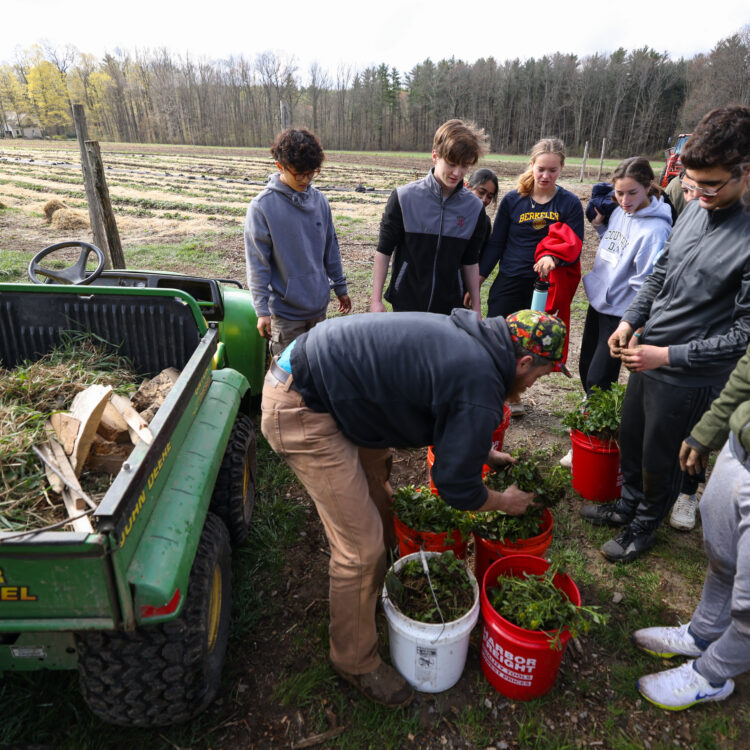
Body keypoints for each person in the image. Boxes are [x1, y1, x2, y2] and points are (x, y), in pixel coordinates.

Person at [261, 308, 570, 707]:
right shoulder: (480, 381)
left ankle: (367, 594)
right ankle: (353, 661)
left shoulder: (475, 341)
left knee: (381, 500)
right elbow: (455, 486)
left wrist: (481, 451)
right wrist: (504, 502)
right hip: (302, 404)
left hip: (337, 389)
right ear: (524, 362)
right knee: (361, 549)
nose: (529, 387)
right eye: (537, 377)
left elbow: (447, 404)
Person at [580, 106, 750, 562]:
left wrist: (667, 355)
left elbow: (744, 335)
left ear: (745, 173)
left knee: (662, 454)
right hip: (647, 349)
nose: (698, 195)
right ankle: (627, 504)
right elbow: (659, 273)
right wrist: (629, 321)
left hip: (689, 373)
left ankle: (644, 525)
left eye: (710, 185)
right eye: (692, 186)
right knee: (632, 436)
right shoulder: (695, 210)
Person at [633, 333, 750, 711]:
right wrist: (710, 428)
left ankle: (712, 675)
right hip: (741, 446)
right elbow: (747, 369)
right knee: (722, 552)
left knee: (749, 604)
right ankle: (703, 633)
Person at [477, 138, 584, 415]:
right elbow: (496, 243)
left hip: (542, 287)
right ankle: (489, 393)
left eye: (553, 170)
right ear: (532, 166)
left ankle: (512, 397)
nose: (546, 176)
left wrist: (554, 257)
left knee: (527, 345)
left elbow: (575, 245)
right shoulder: (514, 200)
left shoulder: (569, 203)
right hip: (509, 279)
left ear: (561, 168)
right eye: (541, 169)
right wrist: (478, 278)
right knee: (498, 337)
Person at [244, 127, 351, 357]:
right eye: (299, 174)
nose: (306, 179)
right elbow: (257, 264)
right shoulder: (262, 208)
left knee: (318, 372)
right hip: (286, 317)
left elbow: (330, 248)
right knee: (287, 383)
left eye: (311, 173)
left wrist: (340, 287)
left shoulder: (320, 202)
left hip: (318, 309)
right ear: (280, 167)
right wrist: (262, 311)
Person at [370, 119, 489, 316]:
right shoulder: (403, 197)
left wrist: (476, 307)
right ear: (435, 156)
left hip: (449, 308)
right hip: (406, 304)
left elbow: (470, 260)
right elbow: (383, 251)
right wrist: (376, 300)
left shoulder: (474, 207)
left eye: (465, 166)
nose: (457, 173)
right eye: (451, 164)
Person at [579, 157, 672, 395]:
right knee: (586, 367)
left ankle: (596, 428)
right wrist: (600, 227)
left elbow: (649, 281)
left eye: (632, 193)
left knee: (599, 378)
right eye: (619, 193)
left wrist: (635, 326)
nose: (624, 200)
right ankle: (590, 418)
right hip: (599, 302)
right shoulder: (620, 212)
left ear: (649, 186)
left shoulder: (656, 230)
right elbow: (617, 247)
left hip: (621, 312)